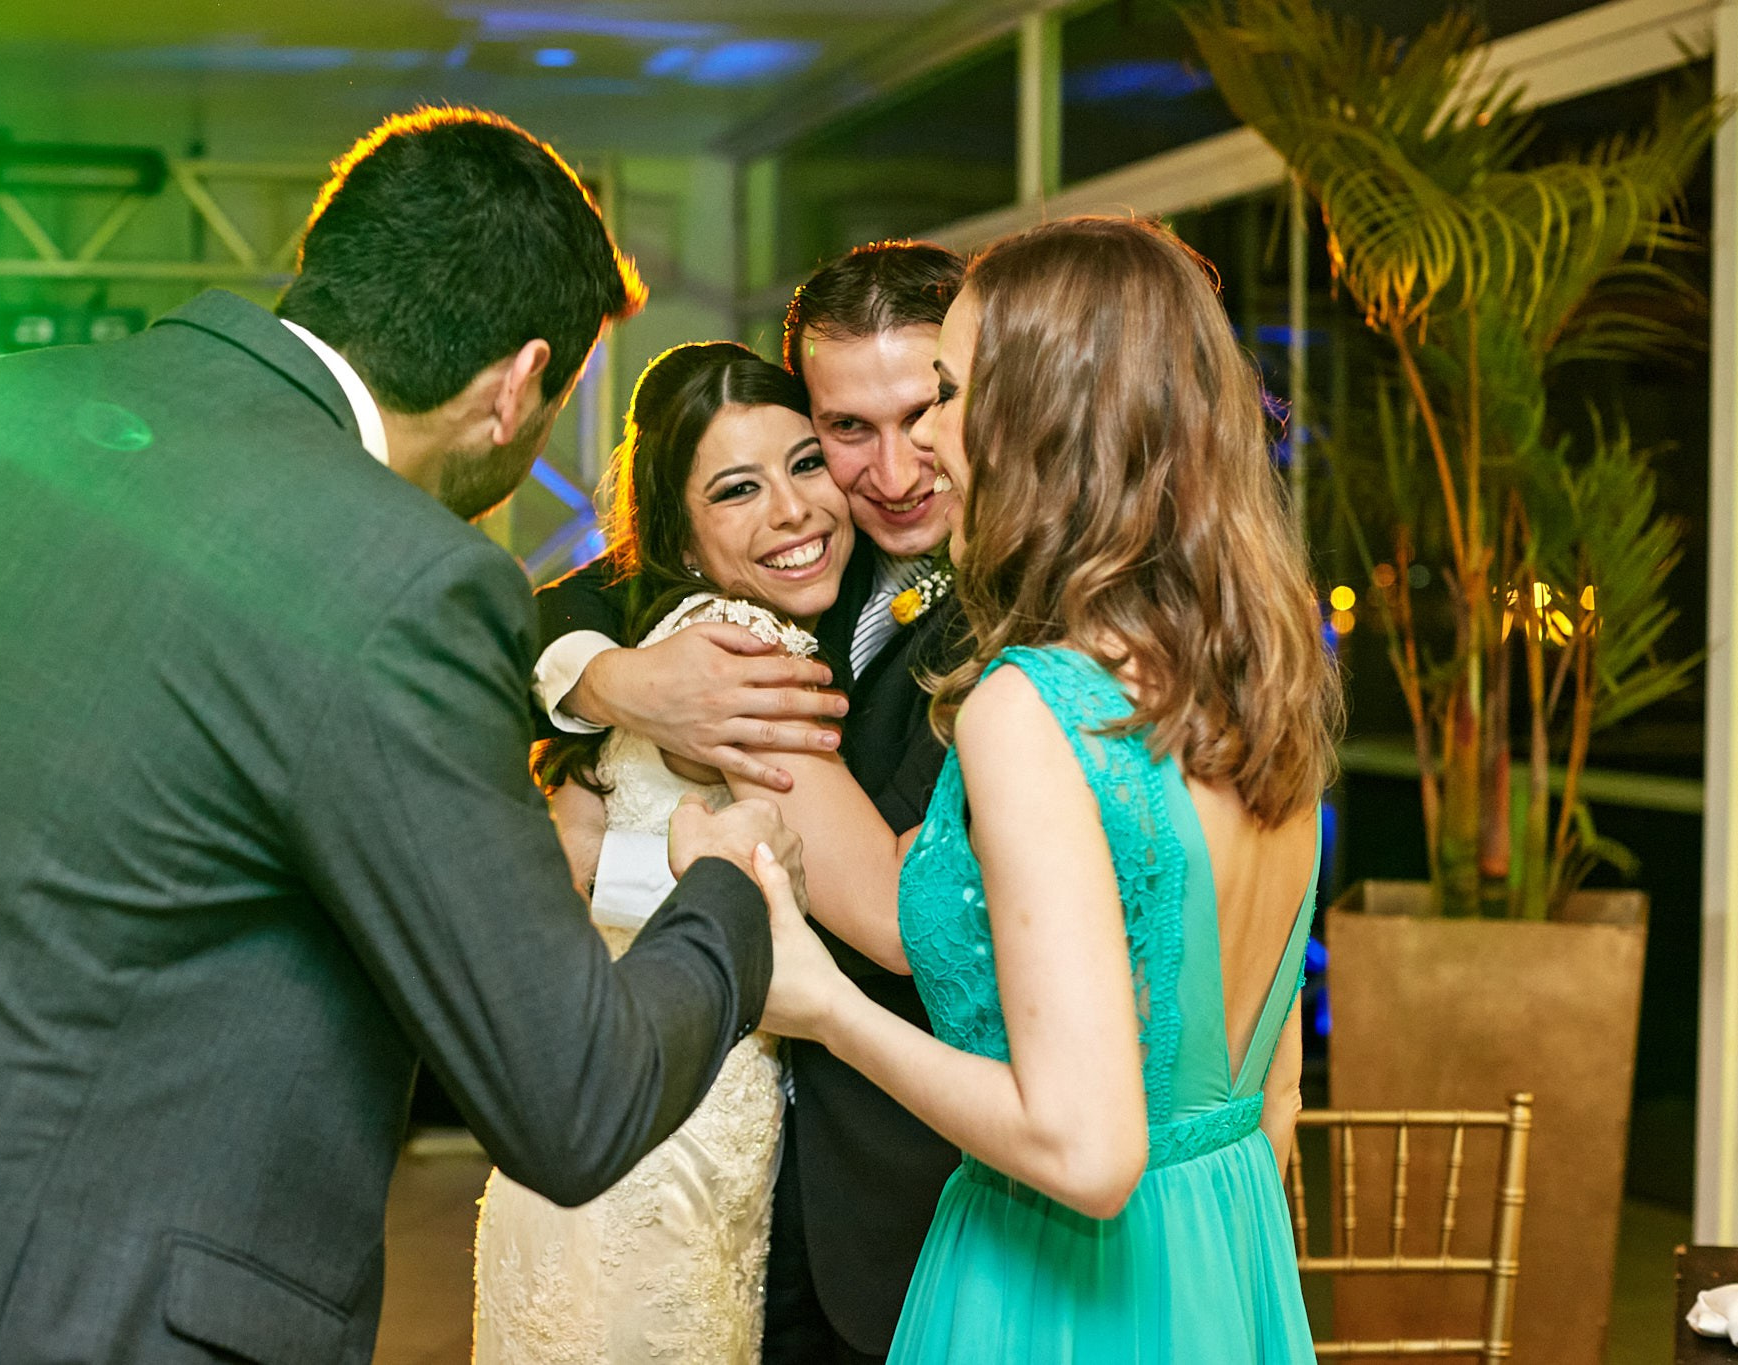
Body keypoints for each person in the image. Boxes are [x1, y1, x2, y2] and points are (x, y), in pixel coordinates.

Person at [0, 107, 800, 1365]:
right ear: (518, 385)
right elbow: (572, 1099)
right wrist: (728, 890)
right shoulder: (401, 574)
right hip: (80, 1318)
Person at [757, 215, 1342, 1362]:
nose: (923, 441)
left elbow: (1086, 1152)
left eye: (945, 392)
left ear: (1037, 420)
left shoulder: (1032, 708)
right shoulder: (1258, 675)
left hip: (1052, 1289)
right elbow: (1272, 1101)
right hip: (1220, 1259)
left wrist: (819, 1004)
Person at [528, 242, 971, 1363]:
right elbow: (547, 611)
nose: (893, 472)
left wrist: (622, 863)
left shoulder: (1029, 596)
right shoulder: (805, 554)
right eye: (847, 431)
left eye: (921, 414)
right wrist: (610, 682)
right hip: (739, 1160)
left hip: (914, 1175)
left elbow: (902, 908)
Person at [476, 340, 888, 1363]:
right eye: (737, 489)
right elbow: (887, 917)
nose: (792, 511)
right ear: (684, 538)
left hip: (597, 1119)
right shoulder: (740, 651)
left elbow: (581, 862)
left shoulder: (663, 637)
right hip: (664, 1152)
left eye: (805, 463)